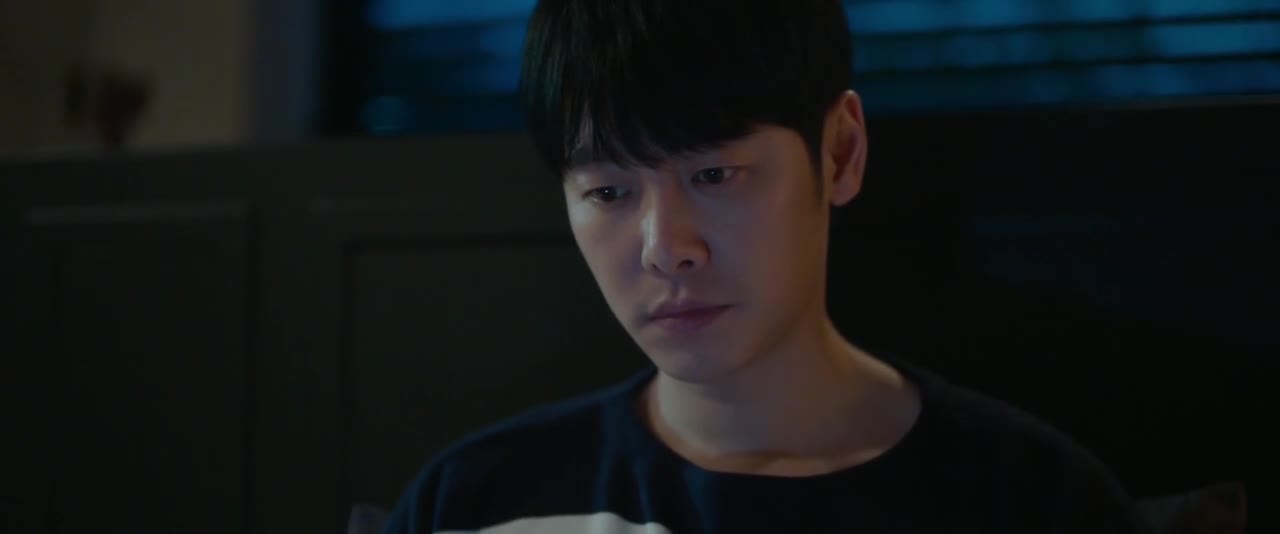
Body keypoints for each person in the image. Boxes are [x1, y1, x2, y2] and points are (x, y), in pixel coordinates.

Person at [384, 1, 1141, 532]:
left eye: (714, 175)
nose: (665, 247)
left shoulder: (1037, 502)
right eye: (609, 192)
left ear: (840, 152)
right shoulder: (476, 504)